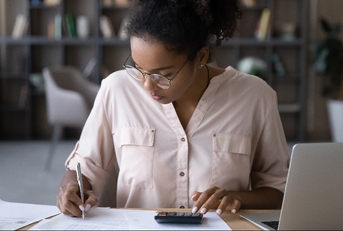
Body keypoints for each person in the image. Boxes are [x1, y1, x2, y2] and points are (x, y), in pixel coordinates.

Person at [57, 0, 290, 217]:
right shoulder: (117, 90)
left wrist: (237, 198)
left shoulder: (255, 97)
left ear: (201, 56)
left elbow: (279, 190)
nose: (147, 85)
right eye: (138, 68)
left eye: (164, 75)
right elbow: (84, 168)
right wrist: (72, 189)